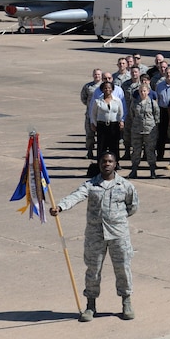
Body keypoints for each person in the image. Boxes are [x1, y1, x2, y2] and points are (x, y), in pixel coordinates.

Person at [50, 152, 139, 322]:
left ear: (115, 164)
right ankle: (90, 305)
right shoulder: (90, 185)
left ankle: (126, 302)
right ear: (99, 164)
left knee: (123, 269)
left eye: (110, 161)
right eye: (104, 161)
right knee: (93, 270)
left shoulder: (126, 186)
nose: (107, 164)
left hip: (118, 235)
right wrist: (60, 207)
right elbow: (75, 196)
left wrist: (117, 219)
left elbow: (133, 206)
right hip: (95, 235)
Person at [92, 81, 125, 160]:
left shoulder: (117, 100)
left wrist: (120, 121)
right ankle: (100, 164)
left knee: (114, 146)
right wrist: (94, 124)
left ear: (112, 89)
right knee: (101, 146)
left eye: (109, 88)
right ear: (102, 89)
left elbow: (120, 112)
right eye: (105, 88)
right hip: (102, 126)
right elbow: (94, 114)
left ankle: (115, 163)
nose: (107, 89)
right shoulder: (97, 101)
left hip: (114, 125)